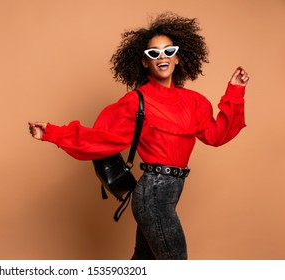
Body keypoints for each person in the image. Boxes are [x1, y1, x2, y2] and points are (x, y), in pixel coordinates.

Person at [28, 12, 249, 260]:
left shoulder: (194, 102)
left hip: (167, 195)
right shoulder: (136, 101)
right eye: (153, 53)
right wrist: (52, 132)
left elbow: (216, 135)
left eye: (168, 50)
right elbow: (100, 138)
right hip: (153, 196)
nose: (162, 57)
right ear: (145, 62)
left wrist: (236, 92)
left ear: (177, 57)